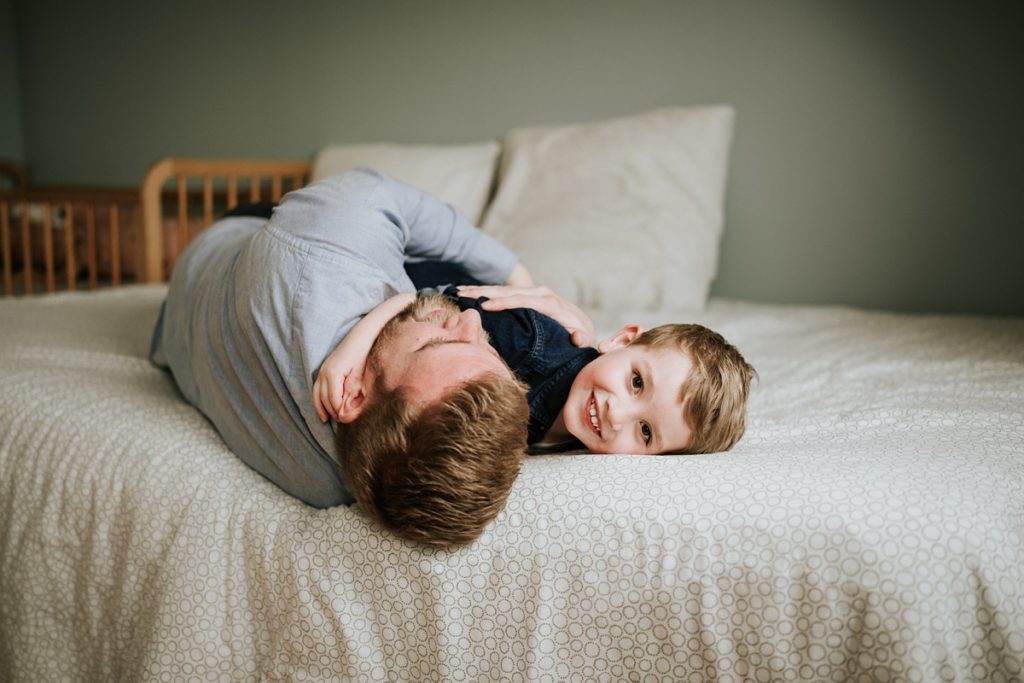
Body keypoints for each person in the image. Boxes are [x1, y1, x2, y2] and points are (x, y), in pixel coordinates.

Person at [150, 168, 532, 548]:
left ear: (353, 395)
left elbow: (388, 197)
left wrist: (516, 275)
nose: (470, 318)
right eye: (489, 348)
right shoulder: (359, 480)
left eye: (437, 344)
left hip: (226, 241)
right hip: (203, 310)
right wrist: (519, 280)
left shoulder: (333, 233)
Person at [314, 280, 757, 457]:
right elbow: (419, 305)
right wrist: (353, 347)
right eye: (635, 381)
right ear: (620, 341)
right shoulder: (528, 342)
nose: (616, 414)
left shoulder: (583, 444)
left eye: (645, 433)